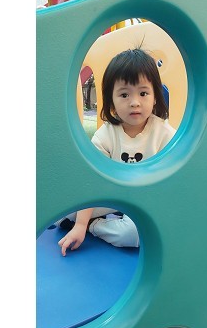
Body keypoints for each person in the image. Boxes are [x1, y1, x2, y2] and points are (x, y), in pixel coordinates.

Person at [57, 48, 176, 256]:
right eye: (124, 94)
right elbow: (91, 180)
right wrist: (79, 224)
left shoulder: (164, 133)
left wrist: (87, 225)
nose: (135, 102)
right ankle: (84, 222)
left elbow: (178, 173)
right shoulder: (106, 135)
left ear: (155, 97)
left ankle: (95, 226)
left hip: (147, 201)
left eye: (143, 93)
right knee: (64, 210)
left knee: (133, 235)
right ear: (111, 100)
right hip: (112, 196)